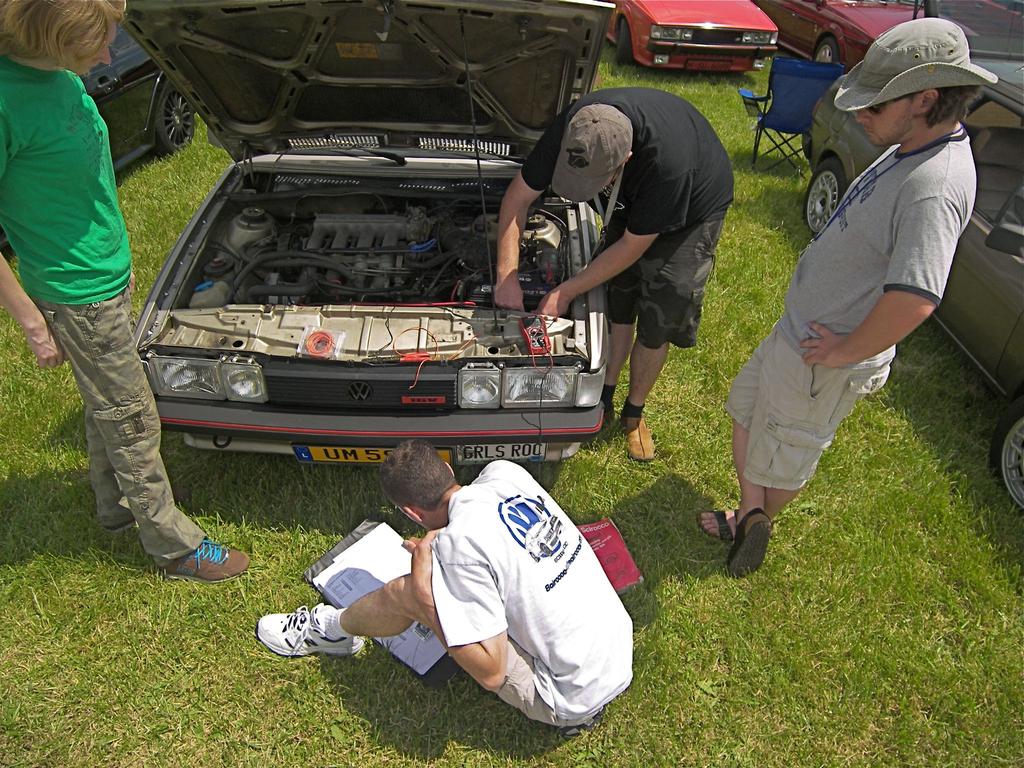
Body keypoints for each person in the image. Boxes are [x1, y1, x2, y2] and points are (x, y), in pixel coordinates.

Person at [699, 18, 997, 577]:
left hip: (822, 351)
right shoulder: (915, 140)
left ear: (926, 99)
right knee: (746, 409)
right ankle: (750, 515)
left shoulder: (935, 185)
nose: (860, 115)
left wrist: (844, 351)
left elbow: (916, 298)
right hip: (802, 330)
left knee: (784, 451)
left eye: (875, 106)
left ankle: (753, 519)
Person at [0, 0, 248, 582]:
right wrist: (33, 323)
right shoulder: (6, 101)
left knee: (106, 404)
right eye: (95, 45)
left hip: (105, 276)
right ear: (49, 40)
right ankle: (172, 543)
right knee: (133, 416)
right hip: (76, 293)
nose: (109, 56)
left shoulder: (54, 75)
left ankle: (116, 509)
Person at [256, 441, 633, 734]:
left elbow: (492, 673)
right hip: (616, 649)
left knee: (406, 592)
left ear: (411, 514)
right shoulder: (506, 474)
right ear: (448, 469)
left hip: (567, 695)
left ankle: (332, 632)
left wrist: (425, 597)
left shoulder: (458, 548)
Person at [494, 88, 733, 461]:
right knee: (618, 297)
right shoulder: (576, 128)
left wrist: (566, 291)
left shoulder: (669, 165)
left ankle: (633, 412)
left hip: (694, 207)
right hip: (634, 195)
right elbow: (517, 199)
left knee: (660, 309)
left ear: (626, 159)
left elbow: (633, 248)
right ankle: (605, 391)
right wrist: (506, 275)